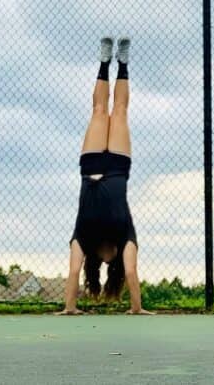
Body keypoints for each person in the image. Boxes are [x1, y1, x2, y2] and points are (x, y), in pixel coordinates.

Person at [57, 37, 151, 315]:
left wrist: (69, 308)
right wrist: (137, 308)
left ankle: (103, 62)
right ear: (116, 263)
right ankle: (123, 65)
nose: (110, 257)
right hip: (119, 168)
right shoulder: (127, 239)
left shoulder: (82, 239)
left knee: (99, 111)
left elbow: (74, 271)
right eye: (114, 261)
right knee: (119, 112)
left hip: (91, 167)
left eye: (106, 259)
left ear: (98, 260)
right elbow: (132, 273)